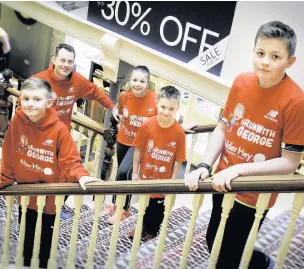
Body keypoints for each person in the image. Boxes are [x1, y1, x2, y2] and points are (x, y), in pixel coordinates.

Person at [185, 20, 304, 269]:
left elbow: (289, 162)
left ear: (290, 61)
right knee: (212, 241)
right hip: (221, 181)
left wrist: (239, 170)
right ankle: (258, 261)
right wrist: (205, 164)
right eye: (260, 53)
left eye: (275, 56)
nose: (265, 61)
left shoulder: (296, 101)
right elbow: (222, 129)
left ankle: (259, 262)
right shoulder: (240, 82)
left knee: (228, 256)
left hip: (253, 193)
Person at [0, 77, 102, 268]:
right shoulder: (17, 121)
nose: (30, 104)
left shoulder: (59, 130)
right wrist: (4, 178)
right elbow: (8, 155)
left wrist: (82, 175)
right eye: (26, 98)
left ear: (49, 102)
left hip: (50, 199)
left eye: (37, 100)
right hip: (26, 194)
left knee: (45, 238)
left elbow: (70, 161)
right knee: (26, 232)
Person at [101, 65, 158, 224]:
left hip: (140, 144)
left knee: (124, 173)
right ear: (130, 80)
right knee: (120, 171)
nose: (137, 84)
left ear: (148, 82)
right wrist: (116, 115)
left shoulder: (155, 100)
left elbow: (163, 120)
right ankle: (114, 204)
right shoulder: (124, 96)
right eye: (134, 80)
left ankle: (124, 209)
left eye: (142, 81)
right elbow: (119, 114)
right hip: (123, 139)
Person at [129, 85, 186, 241]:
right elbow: (138, 150)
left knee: (157, 210)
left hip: (164, 182)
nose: (166, 112)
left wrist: (173, 183)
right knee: (144, 206)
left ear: (177, 108)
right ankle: (141, 227)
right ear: (157, 103)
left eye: (171, 109)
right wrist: (135, 172)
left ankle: (152, 232)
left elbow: (178, 160)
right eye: (163, 107)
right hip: (146, 177)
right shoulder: (146, 125)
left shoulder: (179, 133)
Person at [33, 43, 115, 131]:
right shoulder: (38, 81)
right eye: (62, 60)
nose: (66, 65)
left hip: (62, 135)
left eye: (70, 61)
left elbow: (95, 92)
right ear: (54, 60)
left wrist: (112, 107)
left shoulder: (78, 81)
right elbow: (22, 106)